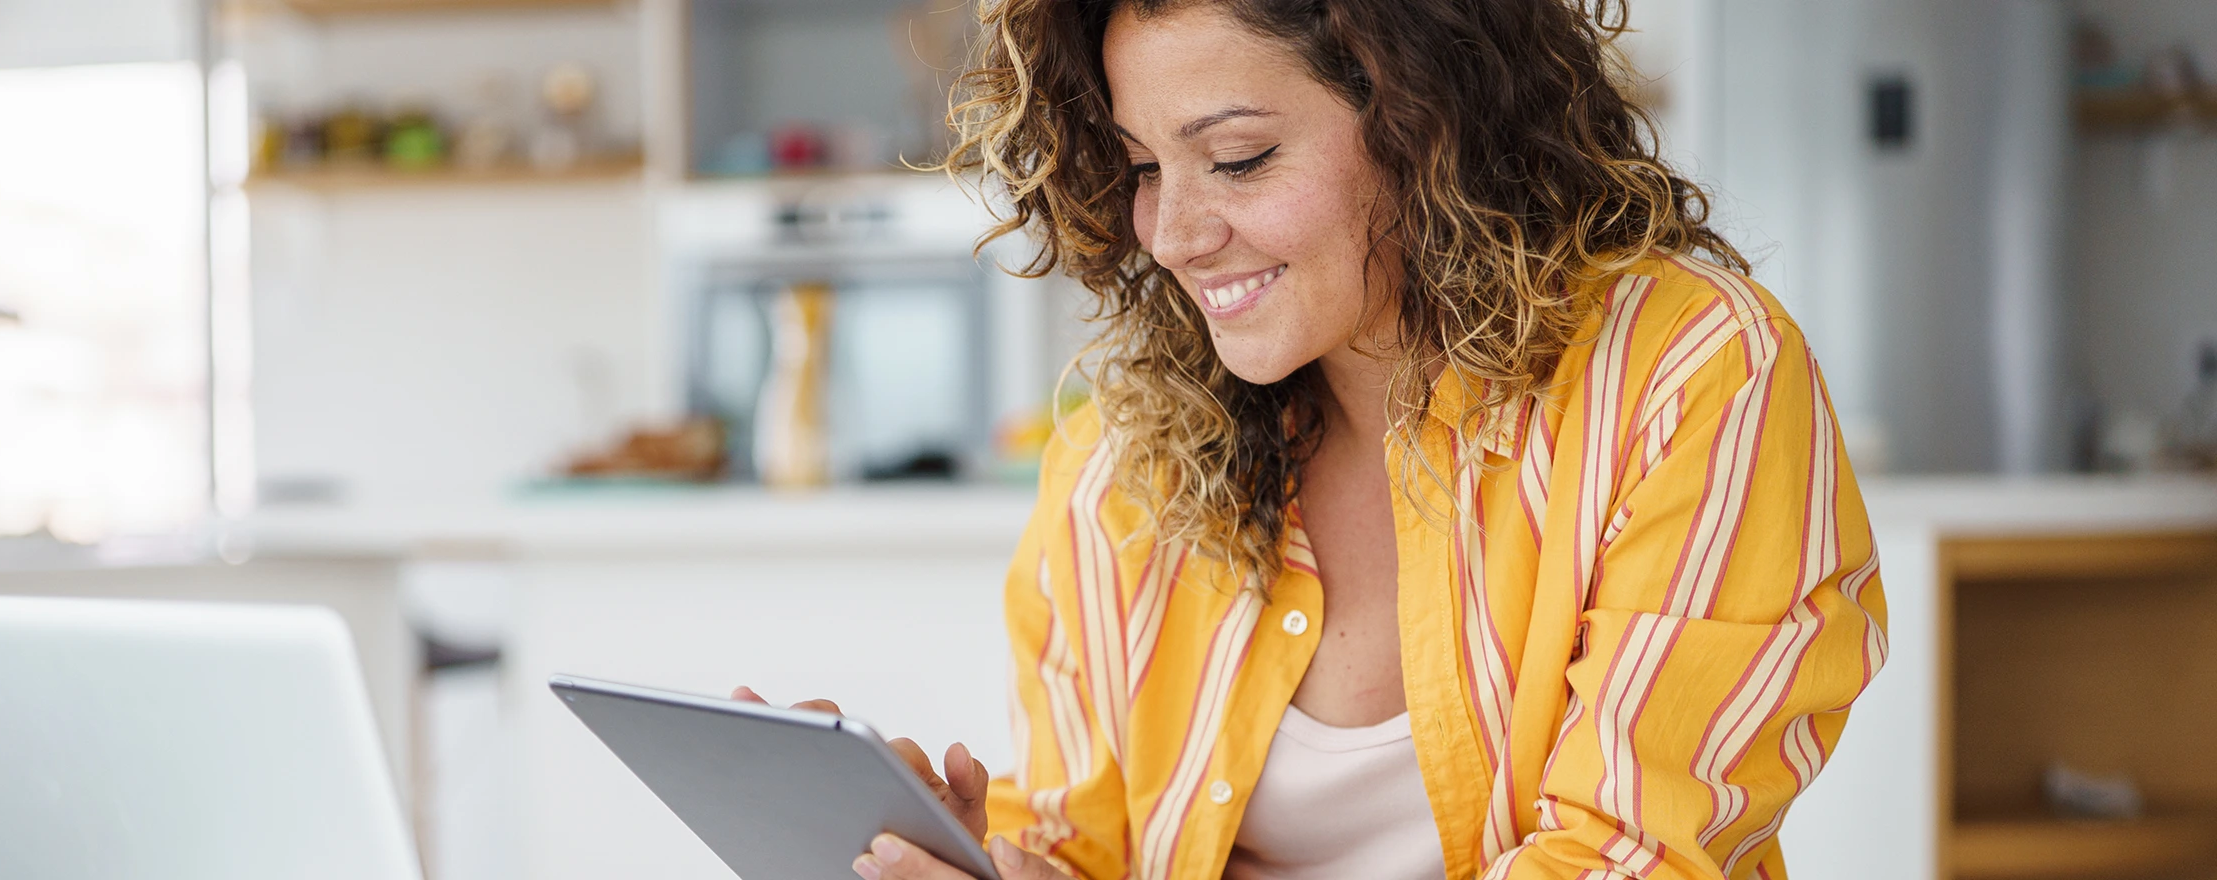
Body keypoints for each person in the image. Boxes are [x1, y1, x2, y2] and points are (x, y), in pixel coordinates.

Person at [740, 1, 1891, 878]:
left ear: (1428, 117)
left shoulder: (1689, 375)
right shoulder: (1118, 468)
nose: (1173, 234)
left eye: (1238, 158)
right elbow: (1085, 843)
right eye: (1144, 168)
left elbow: (1630, 856)